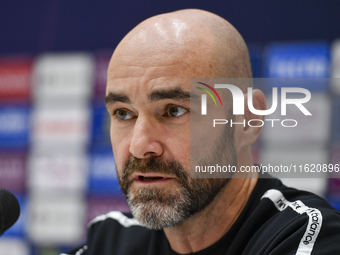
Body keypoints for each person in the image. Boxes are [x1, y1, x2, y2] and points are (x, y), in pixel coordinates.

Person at [63, 9, 340, 255]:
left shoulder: (307, 239)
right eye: (123, 113)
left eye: (173, 111)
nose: (139, 145)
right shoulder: (111, 241)